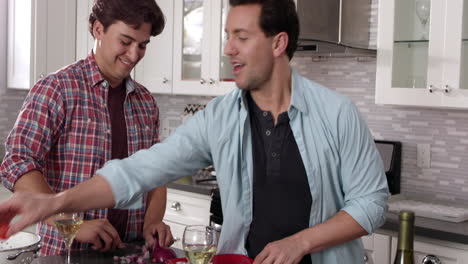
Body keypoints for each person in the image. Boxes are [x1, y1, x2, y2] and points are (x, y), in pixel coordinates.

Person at [0, 0, 389, 263]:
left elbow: (371, 203)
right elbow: (141, 170)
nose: (228, 49)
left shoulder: (337, 114)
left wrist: (301, 243)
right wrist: (55, 204)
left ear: (278, 43)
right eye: (227, 36)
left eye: (241, 37)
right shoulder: (219, 117)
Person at [0, 0, 173, 256]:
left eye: (143, 45)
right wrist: (70, 222)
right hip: (66, 252)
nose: (134, 54)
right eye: (125, 41)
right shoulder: (57, 89)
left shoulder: (145, 102)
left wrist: (152, 223)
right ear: (98, 30)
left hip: (133, 252)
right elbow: (18, 162)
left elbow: (156, 173)